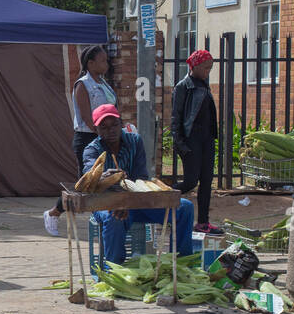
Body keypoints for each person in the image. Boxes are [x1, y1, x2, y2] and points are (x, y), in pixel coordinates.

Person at [45, 104, 194, 265]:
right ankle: (114, 269)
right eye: (104, 127)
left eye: (114, 124)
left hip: (136, 203)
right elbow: (91, 180)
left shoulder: (134, 142)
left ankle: (181, 263)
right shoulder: (92, 150)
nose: (111, 130)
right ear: (97, 130)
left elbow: (141, 177)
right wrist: (104, 177)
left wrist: (127, 202)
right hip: (106, 204)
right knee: (114, 217)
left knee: (184, 207)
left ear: (121, 123)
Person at [172, 49, 221, 234]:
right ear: (195, 66)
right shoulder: (183, 87)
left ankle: (203, 222)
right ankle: (164, 197)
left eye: (210, 68)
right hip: (191, 140)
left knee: (207, 181)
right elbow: (176, 118)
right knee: (191, 181)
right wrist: (179, 143)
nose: (208, 71)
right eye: (206, 67)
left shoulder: (204, 85)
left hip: (207, 140)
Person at [71, 44, 117, 172]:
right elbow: (86, 117)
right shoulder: (83, 85)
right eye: (102, 60)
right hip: (88, 138)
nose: (106, 63)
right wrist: (103, 134)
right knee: (90, 179)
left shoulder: (103, 84)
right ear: (91, 63)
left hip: (105, 137)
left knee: (107, 176)